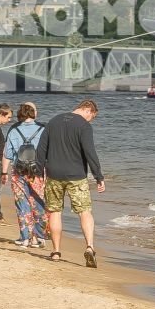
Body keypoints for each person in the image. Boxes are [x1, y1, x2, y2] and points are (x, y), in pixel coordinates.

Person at [38, 99, 105, 267]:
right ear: (88, 111)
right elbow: (90, 152)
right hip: (76, 175)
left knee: (54, 212)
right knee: (84, 211)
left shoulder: (53, 121)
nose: (91, 121)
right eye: (93, 117)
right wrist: (98, 176)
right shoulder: (84, 126)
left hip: (53, 174)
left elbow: (41, 149)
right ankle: (89, 247)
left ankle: (56, 252)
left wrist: (39, 172)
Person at [3, 103, 45, 248]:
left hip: (18, 171)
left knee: (22, 204)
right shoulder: (43, 129)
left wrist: (4, 172)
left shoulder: (14, 130)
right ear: (34, 113)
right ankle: (37, 238)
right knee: (38, 203)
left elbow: (8, 154)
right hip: (37, 171)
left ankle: (25, 238)